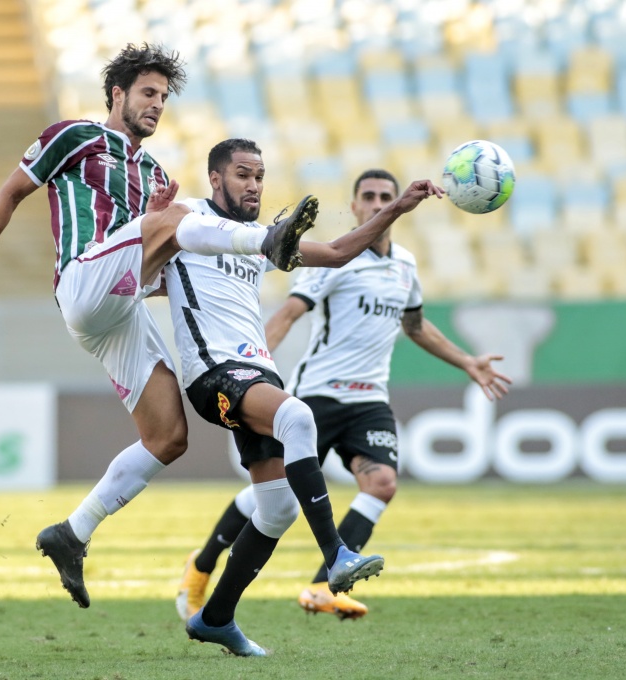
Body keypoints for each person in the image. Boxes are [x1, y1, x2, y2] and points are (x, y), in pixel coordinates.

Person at [0, 44, 317, 610]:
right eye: (148, 93)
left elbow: (161, 265)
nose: (157, 105)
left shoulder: (155, 175)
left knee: (168, 437)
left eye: (163, 97)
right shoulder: (72, 136)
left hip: (119, 306)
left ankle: (72, 533)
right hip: (82, 279)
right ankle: (269, 237)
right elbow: (11, 193)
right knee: (177, 217)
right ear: (117, 94)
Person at [176, 168, 513, 623]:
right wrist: (252, 368)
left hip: (369, 399)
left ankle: (321, 586)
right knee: (272, 498)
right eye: (368, 197)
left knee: (382, 483)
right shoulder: (337, 263)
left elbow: (414, 326)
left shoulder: (406, 265)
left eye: (384, 197)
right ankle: (200, 567)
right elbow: (289, 313)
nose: (376, 203)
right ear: (355, 207)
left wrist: (467, 361)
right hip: (318, 396)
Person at [162, 141, 444, 655]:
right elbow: (140, 259)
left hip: (255, 373)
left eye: (260, 176)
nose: (253, 184)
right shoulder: (186, 221)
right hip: (214, 373)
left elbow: (335, 252)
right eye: (242, 174)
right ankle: (335, 555)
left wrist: (402, 207)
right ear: (215, 178)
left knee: (276, 509)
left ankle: (216, 617)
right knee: (296, 416)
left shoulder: (255, 241)